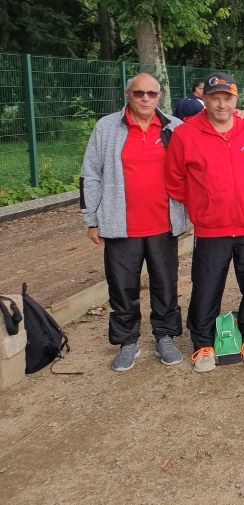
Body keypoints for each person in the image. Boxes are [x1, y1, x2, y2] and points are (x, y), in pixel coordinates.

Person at [81, 73, 188, 371]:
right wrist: (92, 219)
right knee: (122, 287)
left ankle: (164, 336)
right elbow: (91, 174)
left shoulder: (174, 128)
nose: (145, 99)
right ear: (127, 94)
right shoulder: (107, 127)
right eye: (138, 93)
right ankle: (128, 342)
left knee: (165, 284)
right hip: (120, 224)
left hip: (163, 224)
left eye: (151, 94)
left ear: (160, 96)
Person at [165, 73, 244, 373]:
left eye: (228, 97)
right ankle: (202, 343)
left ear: (237, 100)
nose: (222, 104)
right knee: (207, 286)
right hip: (212, 228)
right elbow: (175, 179)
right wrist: (204, 204)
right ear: (204, 99)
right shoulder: (186, 134)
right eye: (215, 97)